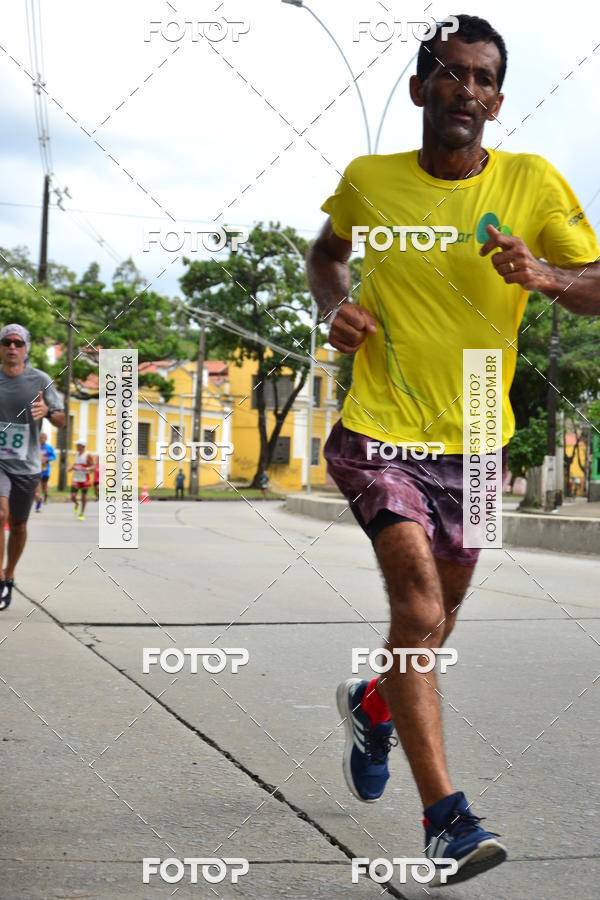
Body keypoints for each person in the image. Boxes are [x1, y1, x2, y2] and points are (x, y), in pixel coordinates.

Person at [307, 14, 600, 886]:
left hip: (476, 429)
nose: (465, 88)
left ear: (498, 100)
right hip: (381, 426)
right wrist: (335, 307)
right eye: (449, 72)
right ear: (420, 89)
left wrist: (549, 277)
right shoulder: (370, 182)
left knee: (432, 625)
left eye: (481, 77)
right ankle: (446, 820)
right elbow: (327, 255)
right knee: (419, 601)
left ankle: (374, 701)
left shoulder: (533, 184)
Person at [0, 324, 65, 609]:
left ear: (26, 349)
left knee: (18, 524)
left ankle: (8, 575)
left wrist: (48, 412)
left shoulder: (40, 380)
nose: (12, 347)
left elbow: (62, 419)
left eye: (17, 343)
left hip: (26, 464)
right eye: (6, 342)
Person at [69, 441, 94, 521]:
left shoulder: (88, 455)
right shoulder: (76, 454)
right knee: (73, 496)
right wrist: (71, 468)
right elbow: (75, 464)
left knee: (83, 496)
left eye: (78, 445)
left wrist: (87, 468)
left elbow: (93, 466)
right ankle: (76, 503)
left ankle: (82, 513)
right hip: (76, 477)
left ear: (82, 446)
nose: (76, 446)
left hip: (84, 478)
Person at [34, 432, 57, 511]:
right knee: (36, 488)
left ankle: (46, 496)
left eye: (43, 438)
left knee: (44, 486)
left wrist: (48, 459)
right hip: (36, 469)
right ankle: (38, 503)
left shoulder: (49, 448)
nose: (42, 440)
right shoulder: (36, 447)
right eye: (41, 438)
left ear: (46, 439)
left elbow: (54, 456)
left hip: (45, 470)